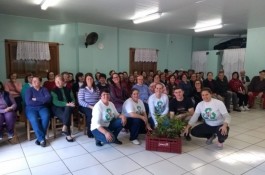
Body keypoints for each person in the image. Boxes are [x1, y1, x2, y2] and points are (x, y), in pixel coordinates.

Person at [25, 76, 51, 147]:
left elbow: (48, 99)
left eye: (36, 81)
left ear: (40, 82)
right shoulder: (29, 90)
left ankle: (39, 139)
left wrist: (35, 99)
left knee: (46, 116)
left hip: (42, 108)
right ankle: (42, 139)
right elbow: (28, 102)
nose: (34, 82)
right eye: (33, 81)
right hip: (31, 108)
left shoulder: (44, 89)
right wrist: (42, 100)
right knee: (34, 119)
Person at [51, 75, 75, 142]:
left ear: (63, 81)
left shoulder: (68, 89)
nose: (57, 82)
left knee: (67, 109)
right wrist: (66, 104)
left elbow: (73, 99)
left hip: (69, 107)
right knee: (66, 115)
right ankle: (68, 134)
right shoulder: (53, 91)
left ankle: (64, 127)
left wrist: (72, 103)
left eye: (59, 81)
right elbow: (55, 102)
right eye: (56, 81)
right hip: (57, 107)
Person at [78, 73, 100, 138]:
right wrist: (90, 106)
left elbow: (99, 98)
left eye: (91, 78)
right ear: (85, 80)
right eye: (88, 79)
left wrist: (97, 105)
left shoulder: (96, 88)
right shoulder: (82, 89)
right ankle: (90, 132)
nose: (89, 80)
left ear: (93, 80)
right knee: (91, 114)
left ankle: (100, 129)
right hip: (85, 106)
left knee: (101, 112)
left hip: (95, 105)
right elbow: (80, 101)